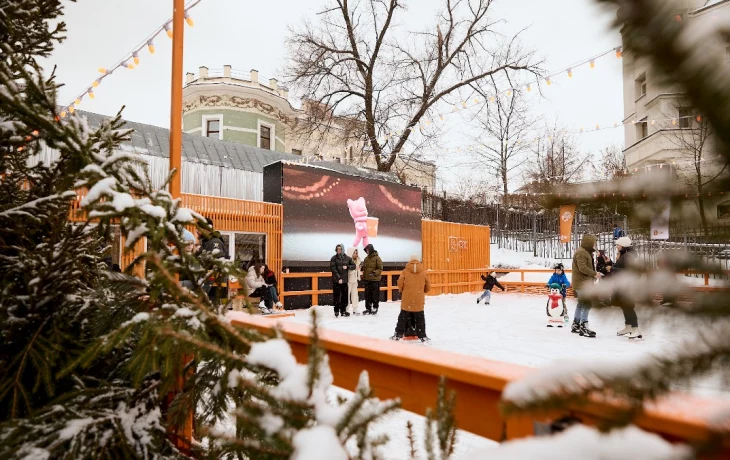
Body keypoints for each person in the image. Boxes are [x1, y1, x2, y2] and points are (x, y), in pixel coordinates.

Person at [391, 254, 431, 343]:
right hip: (419, 298)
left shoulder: (405, 271)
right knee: (420, 317)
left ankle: (398, 334)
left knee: (403, 316)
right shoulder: (423, 272)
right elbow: (428, 286)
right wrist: (422, 291)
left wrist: (402, 291)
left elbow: (400, 283)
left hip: (407, 297)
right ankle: (422, 335)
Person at [571, 234, 603, 337]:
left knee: (581, 304)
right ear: (589, 243)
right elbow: (582, 268)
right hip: (582, 283)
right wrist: (595, 274)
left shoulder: (586, 252)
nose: (595, 244)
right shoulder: (581, 253)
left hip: (583, 282)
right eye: (593, 242)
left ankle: (576, 324)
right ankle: (583, 325)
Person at [612, 237, 642, 339]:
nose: (617, 247)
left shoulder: (628, 256)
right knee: (624, 306)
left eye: (618, 245)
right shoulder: (625, 255)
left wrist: (613, 269)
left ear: (623, 246)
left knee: (628, 307)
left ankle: (635, 329)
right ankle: (628, 327)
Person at [196, 218, 229, 307]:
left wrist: (205, 288)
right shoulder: (207, 242)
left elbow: (217, 266)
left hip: (213, 286)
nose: (197, 232)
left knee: (211, 310)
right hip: (209, 284)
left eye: (198, 229)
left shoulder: (214, 243)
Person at [330, 244, 355, 317]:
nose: (339, 250)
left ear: (343, 249)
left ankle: (343, 311)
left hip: (344, 281)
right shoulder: (334, 258)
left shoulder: (347, 258)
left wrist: (347, 267)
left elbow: (354, 266)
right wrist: (339, 278)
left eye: (340, 249)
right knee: (336, 297)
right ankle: (336, 311)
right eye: (337, 249)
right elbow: (333, 269)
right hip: (336, 281)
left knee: (345, 297)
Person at [361, 244, 383, 315]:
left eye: (368, 250)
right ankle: (368, 308)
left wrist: (374, 273)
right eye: (366, 250)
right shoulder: (366, 259)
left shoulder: (377, 258)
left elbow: (380, 268)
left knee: (375, 295)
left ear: (371, 249)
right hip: (367, 280)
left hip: (375, 280)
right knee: (367, 295)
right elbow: (365, 269)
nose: (367, 251)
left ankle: (375, 307)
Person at [346, 247, 362, 315]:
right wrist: (354, 269)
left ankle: (355, 308)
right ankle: (346, 309)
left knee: (355, 295)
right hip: (348, 280)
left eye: (356, 253)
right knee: (347, 295)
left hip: (355, 280)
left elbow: (358, 269)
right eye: (354, 253)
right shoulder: (347, 260)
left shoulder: (358, 260)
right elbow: (347, 269)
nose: (356, 254)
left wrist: (359, 273)